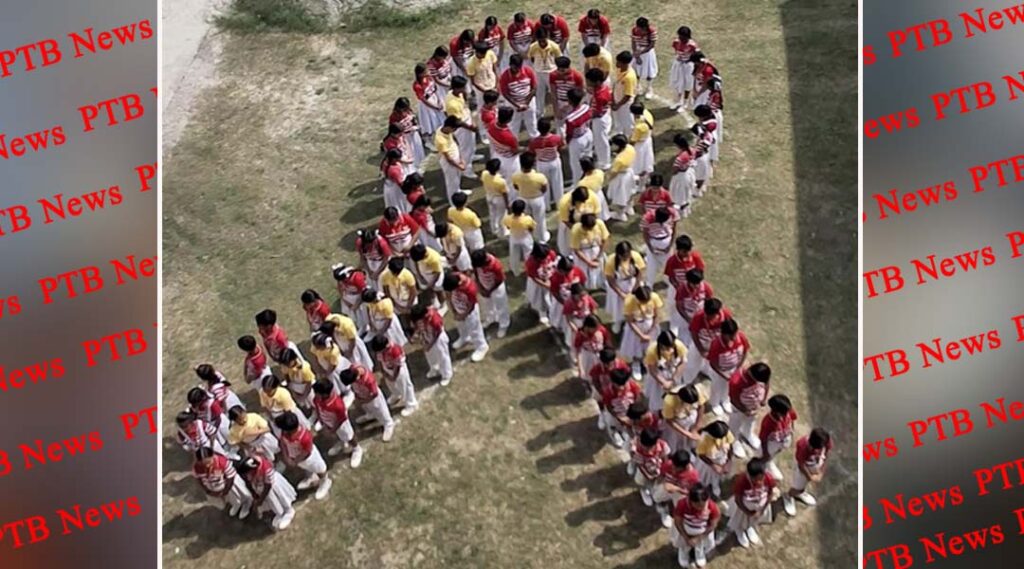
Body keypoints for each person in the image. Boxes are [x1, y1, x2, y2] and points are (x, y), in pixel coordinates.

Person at [274, 411, 332, 500]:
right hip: (297, 458)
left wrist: (295, 461)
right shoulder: (285, 432)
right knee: (307, 469)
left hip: (309, 459)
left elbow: (306, 452)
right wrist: (287, 457)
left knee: (320, 470)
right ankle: (312, 477)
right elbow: (282, 442)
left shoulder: (304, 437)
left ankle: (325, 482)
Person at [236, 454, 297, 531]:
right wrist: (255, 496)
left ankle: (288, 511)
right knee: (272, 503)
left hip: (272, 487)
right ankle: (279, 513)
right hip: (260, 486)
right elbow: (248, 483)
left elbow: (268, 486)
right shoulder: (248, 472)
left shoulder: (266, 468)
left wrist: (260, 500)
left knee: (279, 498)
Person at [312, 379, 364, 467]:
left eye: (316, 392)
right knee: (338, 435)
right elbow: (318, 409)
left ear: (324, 394)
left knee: (349, 436)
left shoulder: (337, 404)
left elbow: (341, 419)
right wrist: (322, 422)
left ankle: (357, 449)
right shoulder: (317, 399)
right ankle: (342, 442)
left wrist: (332, 429)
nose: (315, 394)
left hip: (340, 425)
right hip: (328, 423)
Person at [729, 458, 777, 549]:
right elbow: (738, 500)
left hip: (758, 507)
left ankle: (749, 527)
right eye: (756, 479)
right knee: (740, 519)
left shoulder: (768, 478)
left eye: (761, 478)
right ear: (749, 476)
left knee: (753, 520)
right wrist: (748, 512)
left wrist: (762, 510)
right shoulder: (741, 482)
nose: (759, 482)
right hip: (743, 508)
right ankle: (739, 530)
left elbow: (770, 493)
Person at [339, 365, 396, 442]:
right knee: (368, 408)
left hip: (372, 398)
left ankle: (388, 424)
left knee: (379, 410)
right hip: (361, 396)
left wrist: (362, 401)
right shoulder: (353, 369)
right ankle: (371, 415)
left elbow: (374, 394)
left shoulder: (368, 379)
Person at [442, 270, 490, 361]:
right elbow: (448, 295)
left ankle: (481, 346)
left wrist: (463, 315)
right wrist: (454, 311)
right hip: (458, 306)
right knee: (460, 325)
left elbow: (471, 305)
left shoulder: (469, 288)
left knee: (474, 329)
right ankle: (464, 337)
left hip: (469, 311)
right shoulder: (451, 278)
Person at [784, 427, 833, 516]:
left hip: (814, 463)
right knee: (798, 485)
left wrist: (821, 472)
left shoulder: (825, 440)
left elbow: (827, 454)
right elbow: (801, 465)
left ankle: (800, 493)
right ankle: (789, 496)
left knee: (803, 485)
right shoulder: (802, 446)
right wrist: (810, 477)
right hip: (803, 467)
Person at [707, 318, 751, 416]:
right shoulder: (716, 344)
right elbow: (713, 363)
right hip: (720, 371)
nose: (734, 338)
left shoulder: (741, 337)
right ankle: (714, 403)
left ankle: (725, 401)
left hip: (734, 368)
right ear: (724, 334)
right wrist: (724, 375)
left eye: (735, 334)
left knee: (728, 387)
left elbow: (745, 351)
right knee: (717, 387)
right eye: (730, 336)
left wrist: (738, 367)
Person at [684, 297, 733, 385]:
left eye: (711, 316)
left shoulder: (726, 315)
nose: (708, 317)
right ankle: (687, 381)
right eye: (707, 314)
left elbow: (729, 330)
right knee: (692, 363)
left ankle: (705, 371)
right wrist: (701, 349)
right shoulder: (699, 317)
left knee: (710, 362)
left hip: (715, 344)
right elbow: (694, 334)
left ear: (717, 313)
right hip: (701, 341)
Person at [728, 363, 771, 459]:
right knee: (735, 424)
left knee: (751, 422)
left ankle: (747, 433)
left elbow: (767, 383)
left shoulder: (761, 375)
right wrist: (745, 410)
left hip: (752, 407)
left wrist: (764, 399)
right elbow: (734, 399)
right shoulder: (737, 381)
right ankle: (733, 441)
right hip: (739, 408)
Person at [368, 335, 419, 417]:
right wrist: (384, 372)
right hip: (387, 368)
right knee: (390, 384)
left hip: (398, 370)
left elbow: (398, 365)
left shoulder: (395, 349)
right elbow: (380, 361)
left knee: (405, 385)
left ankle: (411, 403)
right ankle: (396, 394)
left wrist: (394, 376)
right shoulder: (381, 350)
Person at [672, 484, 720, 568]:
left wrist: (699, 538)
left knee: (700, 544)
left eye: (703, 504)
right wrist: (686, 538)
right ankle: (683, 550)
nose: (700, 508)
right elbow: (678, 522)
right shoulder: (682, 504)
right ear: (690, 501)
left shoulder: (712, 506)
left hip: (703, 532)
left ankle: (699, 552)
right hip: (686, 529)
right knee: (685, 544)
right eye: (697, 505)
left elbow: (713, 525)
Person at [621, 285, 663, 379]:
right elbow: (630, 321)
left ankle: (651, 363)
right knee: (636, 348)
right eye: (643, 301)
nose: (645, 303)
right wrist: (641, 335)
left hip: (650, 325)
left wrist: (650, 331)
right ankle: (636, 364)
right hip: (636, 327)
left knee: (652, 347)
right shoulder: (629, 301)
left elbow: (657, 315)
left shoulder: (654, 297)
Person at [604, 241, 645, 333]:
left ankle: (633, 319)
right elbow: (610, 280)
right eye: (623, 256)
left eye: (627, 255)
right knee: (618, 306)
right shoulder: (611, 261)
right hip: (619, 285)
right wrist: (621, 293)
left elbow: (640, 273)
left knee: (635, 304)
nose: (626, 258)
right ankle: (618, 321)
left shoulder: (636, 256)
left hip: (633, 283)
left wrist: (635, 287)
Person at [409, 303, 454, 386]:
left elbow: (437, 332)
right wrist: (417, 337)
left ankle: (447, 374)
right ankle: (435, 368)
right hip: (426, 334)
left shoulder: (434, 318)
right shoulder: (419, 317)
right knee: (429, 354)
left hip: (438, 338)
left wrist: (429, 345)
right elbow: (417, 326)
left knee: (442, 356)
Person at [470, 248, 511, 338]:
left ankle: (504, 323)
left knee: (501, 306)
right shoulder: (478, 262)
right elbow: (476, 272)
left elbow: (500, 279)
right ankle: (491, 318)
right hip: (484, 286)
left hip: (496, 288)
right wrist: (480, 287)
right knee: (486, 304)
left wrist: (490, 290)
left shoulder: (495, 264)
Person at [653, 449, 699, 528]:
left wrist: (677, 489)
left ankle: (675, 513)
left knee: (681, 508)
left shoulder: (693, 475)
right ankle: (663, 506)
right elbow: (661, 476)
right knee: (656, 497)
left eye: (677, 468)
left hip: (680, 492)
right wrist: (659, 485)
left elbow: (691, 492)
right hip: (666, 486)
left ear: (686, 466)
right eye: (673, 465)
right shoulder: (668, 465)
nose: (673, 469)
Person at [643, 330, 687, 413]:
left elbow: (683, 363)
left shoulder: (679, 346)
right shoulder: (652, 351)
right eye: (667, 348)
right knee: (657, 395)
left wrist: (674, 379)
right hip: (659, 374)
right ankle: (657, 410)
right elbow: (652, 369)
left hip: (674, 373)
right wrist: (664, 382)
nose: (670, 350)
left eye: (671, 347)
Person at [445, 76, 479, 180]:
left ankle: (472, 156)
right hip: (462, 127)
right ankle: (467, 170)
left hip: (466, 119)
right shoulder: (452, 104)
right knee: (465, 149)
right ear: (456, 88)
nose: (464, 90)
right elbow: (457, 121)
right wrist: (470, 127)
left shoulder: (457, 94)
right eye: (462, 88)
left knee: (471, 144)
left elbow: (465, 104)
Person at [511, 151, 549, 241]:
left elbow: (516, 187)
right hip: (537, 199)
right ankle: (542, 237)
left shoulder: (515, 176)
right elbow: (544, 188)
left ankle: (529, 237)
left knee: (526, 219)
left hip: (523, 198)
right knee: (539, 219)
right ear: (533, 164)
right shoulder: (540, 177)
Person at [601, 367, 642, 448]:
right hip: (617, 413)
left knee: (633, 431)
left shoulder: (632, 386)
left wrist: (632, 415)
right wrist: (619, 417)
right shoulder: (608, 392)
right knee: (613, 423)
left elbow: (637, 399)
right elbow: (609, 407)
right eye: (618, 385)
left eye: (624, 384)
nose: (622, 388)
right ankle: (615, 431)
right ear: (612, 382)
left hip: (630, 412)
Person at [528, 118, 565, 208]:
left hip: (542, 163)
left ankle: (546, 205)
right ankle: (559, 203)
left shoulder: (534, 142)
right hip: (554, 161)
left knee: (543, 184)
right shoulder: (555, 138)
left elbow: (531, 152)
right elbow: (562, 146)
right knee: (558, 183)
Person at [760, 394, 797, 482]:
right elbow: (763, 439)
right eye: (784, 413)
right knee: (765, 457)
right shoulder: (768, 422)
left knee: (776, 452)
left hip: (783, 439)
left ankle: (770, 462)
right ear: (776, 411)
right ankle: (762, 469)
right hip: (772, 443)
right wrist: (765, 453)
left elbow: (793, 418)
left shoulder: (788, 411)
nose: (787, 414)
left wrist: (791, 431)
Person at [500, 54, 539, 137]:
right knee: (513, 124)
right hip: (513, 104)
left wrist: (526, 103)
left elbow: (534, 88)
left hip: (528, 102)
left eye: (519, 67)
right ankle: (513, 142)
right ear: (510, 65)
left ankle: (535, 140)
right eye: (515, 67)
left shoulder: (528, 71)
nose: (517, 69)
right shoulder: (505, 76)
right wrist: (517, 105)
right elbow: (505, 93)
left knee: (532, 122)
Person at [695, 420, 735, 499]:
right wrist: (714, 466)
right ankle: (703, 486)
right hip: (707, 462)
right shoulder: (704, 438)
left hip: (721, 459)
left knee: (717, 476)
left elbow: (730, 446)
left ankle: (715, 485)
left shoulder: (725, 432)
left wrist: (729, 461)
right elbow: (701, 455)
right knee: (703, 478)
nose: (723, 438)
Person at [632, 428, 671, 508]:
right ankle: (643, 490)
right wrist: (647, 475)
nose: (647, 450)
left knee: (659, 483)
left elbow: (665, 459)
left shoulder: (662, 445)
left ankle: (657, 497)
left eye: (649, 447)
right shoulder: (637, 451)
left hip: (658, 467)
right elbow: (640, 465)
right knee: (641, 480)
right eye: (644, 446)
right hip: (645, 469)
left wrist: (663, 471)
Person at [487, 107, 520, 200]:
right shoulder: (509, 137)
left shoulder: (491, 125)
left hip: (497, 155)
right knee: (511, 183)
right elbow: (515, 150)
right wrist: (525, 149)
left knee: (501, 179)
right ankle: (512, 202)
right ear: (509, 119)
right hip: (509, 161)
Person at [671, 269, 712, 343]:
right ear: (689, 281)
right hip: (687, 314)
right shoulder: (682, 289)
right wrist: (688, 319)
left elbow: (709, 302)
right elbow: (679, 306)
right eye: (694, 284)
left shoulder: (705, 287)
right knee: (683, 338)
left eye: (698, 283)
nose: (696, 286)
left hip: (700, 315)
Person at [556, 186, 600, 256]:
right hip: (570, 225)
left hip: (588, 223)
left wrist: (588, 228)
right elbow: (565, 220)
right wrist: (577, 231)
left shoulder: (593, 197)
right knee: (569, 244)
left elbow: (596, 214)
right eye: (580, 201)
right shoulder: (564, 202)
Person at [662, 384, 706, 453]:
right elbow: (669, 420)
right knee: (678, 442)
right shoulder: (670, 401)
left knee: (694, 440)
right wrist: (687, 434)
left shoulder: (696, 391)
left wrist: (697, 426)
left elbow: (701, 406)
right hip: (678, 422)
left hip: (691, 415)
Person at [309, 332, 351, 403]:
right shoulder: (316, 345)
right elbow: (315, 356)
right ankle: (338, 391)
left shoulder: (333, 352)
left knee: (339, 380)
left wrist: (326, 374)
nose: (317, 348)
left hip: (335, 368)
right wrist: (319, 369)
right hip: (324, 365)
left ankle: (347, 391)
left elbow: (333, 366)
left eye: (319, 347)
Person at [547, 255, 586, 331]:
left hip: (576, 299)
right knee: (560, 317)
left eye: (569, 271)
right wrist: (563, 303)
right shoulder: (555, 278)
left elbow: (583, 282)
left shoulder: (577, 271)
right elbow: (555, 292)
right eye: (565, 272)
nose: (567, 273)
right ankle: (559, 327)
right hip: (562, 301)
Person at [570, 213, 609, 289]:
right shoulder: (576, 230)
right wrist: (589, 262)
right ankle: (584, 287)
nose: (590, 230)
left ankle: (601, 284)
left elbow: (605, 240)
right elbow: (576, 249)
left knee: (600, 268)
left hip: (597, 250)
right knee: (584, 271)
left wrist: (599, 256)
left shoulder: (600, 224)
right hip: (583, 252)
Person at [564, 88, 593, 187]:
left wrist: (567, 142)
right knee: (588, 158)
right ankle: (589, 178)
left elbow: (569, 133)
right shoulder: (586, 107)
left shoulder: (570, 118)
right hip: (588, 134)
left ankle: (578, 184)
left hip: (577, 140)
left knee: (576, 165)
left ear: (570, 101)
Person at [527, 27, 560, 113]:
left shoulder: (554, 46)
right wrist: (538, 67)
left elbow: (558, 59)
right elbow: (531, 58)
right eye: (540, 41)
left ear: (547, 37)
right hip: (539, 72)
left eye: (544, 40)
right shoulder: (533, 47)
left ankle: (558, 111)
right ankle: (539, 112)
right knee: (539, 93)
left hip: (551, 72)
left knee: (554, 93)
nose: (542, 43)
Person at [584, 68, 613, 169]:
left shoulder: (600, 96)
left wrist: (587, 116)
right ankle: (600, 156)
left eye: (589, 81)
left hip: (599, 119)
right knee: (599, 139)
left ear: (597, 81)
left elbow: (597, 112)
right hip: (601, 117)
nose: (587, 82)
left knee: (601, 140)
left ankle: (605, 162)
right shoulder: (601, 89)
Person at [643, 207, 678, 287]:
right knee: (651, 265)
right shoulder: (647, 217)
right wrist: (650, 247)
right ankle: (649, 284)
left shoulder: (672, 213)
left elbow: (674, 230)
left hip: (666, 240)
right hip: (653, 241)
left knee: (668, 264)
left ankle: (668, 280)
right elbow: (645, 234)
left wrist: (669, 246)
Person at [436, 116, 469, 203]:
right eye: (454, 129)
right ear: (448, 127)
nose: (454, 131)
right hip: (449, 162)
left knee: (457, 178)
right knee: (451, 182)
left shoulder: (444, 130)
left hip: (456, 157)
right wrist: (459, 166)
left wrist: (461, 158)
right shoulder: (441, 140)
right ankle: (453, 201)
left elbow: (454, 138)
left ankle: (458, 191)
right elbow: (448, 159)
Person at [664, 235, 706, 302]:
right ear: (678, 249)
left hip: (693, 287)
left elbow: (701, 271)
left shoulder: (695, 257)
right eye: (684, 251)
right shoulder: (672, 261)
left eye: (689, 251)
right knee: (672, 305)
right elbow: (671, 277)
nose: (687, 253)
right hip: (677, 288)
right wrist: (678, 288)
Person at [524, 242, 557, 325]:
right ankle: (542, 313)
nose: (545, 259)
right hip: (538, 284)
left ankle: (551, 309)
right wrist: (545, 284)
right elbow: (534, 277)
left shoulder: (551, 254)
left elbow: (554, 265)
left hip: (549, 278)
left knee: (551, 296)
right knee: (540, 299)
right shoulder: (531, 262)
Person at [408, 242, 447, 310]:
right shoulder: (417, 252)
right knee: (430, 289)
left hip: (434, 275)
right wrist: (419, 275)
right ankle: (434, 300)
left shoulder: (434, 258)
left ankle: (443, 303)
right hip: (425, 273)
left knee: (438, 290)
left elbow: (437, 272)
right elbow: (416, 262)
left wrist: (431, 283)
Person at [279, 348, 316, 420]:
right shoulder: (285, 365)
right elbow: (286, 376)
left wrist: (304, 396)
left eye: (288, 363)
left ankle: (316, 413)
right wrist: (291, 389)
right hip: (295, 384)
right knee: (303, 403)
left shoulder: (304, 368)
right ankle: (309, 410)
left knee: (312, 400)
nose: (287, 366)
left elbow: (309, 383)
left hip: (306, 386)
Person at [607, 134, 637, 220]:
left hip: (621, 177)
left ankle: (621, 214)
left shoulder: (619, 160)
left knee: (620, 196)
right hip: (629, 173)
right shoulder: (630, 148)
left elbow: (614, 173)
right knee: (630, 192)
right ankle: (629, 208)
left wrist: (608, 179)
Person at [413, 63, 446, 143]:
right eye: (425, 71)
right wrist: (435, 106)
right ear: (420, 74)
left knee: (440, 120)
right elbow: (423, 99)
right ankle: (428, 140)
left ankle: (439, 138)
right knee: (429, 122)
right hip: (427, 105)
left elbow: (435, 89)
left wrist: (439, 100)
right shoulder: (417, 85)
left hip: (434, 99)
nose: (428, 72)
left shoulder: (429, 78)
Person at [573, 314, 612, 380]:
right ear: (587, 327)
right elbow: (578, 351)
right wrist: (580, 367)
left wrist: (610, 354)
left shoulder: (601, 330)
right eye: (595, 328)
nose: (597, 329)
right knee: (589, 373)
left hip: (601, 355)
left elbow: (608, 343)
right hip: (588, 357)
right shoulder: (580, 336)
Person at [390, 97, 424, 172]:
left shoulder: (409, 111)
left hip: (413, 134)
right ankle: (413, 167)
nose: (404, 110)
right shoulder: (394, 116)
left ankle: (417, 165)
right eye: (403, 108)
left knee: (417, 150)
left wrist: (415, 127)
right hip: (405, 137)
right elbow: (394, 129)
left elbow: (414, 120)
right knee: (410, 152)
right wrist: (406, 130)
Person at [549, 56, 584, 129]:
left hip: (572, 103)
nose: (560, 72)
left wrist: (570, 106)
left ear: (568, 67)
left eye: (562, 70)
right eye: (558, 70)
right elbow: (553, 93)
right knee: (559, 126)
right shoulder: (553, 75)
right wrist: (556, 110)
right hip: (560, 102)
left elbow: (579, 94)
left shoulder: (577, 76)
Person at [503, 199, 536, 275]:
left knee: (514, 255)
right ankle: (529, 270)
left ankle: (515, 271)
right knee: (528, 254)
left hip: (514, 237)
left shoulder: (508, 218)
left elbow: (508, 227)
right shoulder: (527, 219)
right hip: (525, 237)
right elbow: (531, 228)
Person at [562, 282, 599, 349]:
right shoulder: (569, 303)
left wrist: (593, 319)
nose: (582, 298)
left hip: (588, 320)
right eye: (580, 296)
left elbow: (594, 308)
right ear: (573, 295)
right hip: (576, 322)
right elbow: (569, 319)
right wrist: (576, 330)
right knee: (574, 340)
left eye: (583, 295)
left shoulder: (587, 298)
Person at [669, 27, 699, 110]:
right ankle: (678, 101)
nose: (681, 38)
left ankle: (685, 102)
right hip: (678, 64)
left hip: (688, 65)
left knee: (687, 84)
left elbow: (697, 56)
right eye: (680, 36)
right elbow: (676, 51)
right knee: (678, 82)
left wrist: (693, 68)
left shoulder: (692, 45)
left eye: (683, 37)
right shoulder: (676, 42)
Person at [467, 42, 499, 116]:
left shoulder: (490, 54)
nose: (484, 56)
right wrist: (484, 91)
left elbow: (495, 69)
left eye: (485, 54)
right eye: (482, 54)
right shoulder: (471, 63)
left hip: (492, 84)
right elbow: (473, 81)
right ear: (477, 52)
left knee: (494, 105)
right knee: (482, 107)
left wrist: (497, 83)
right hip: (481, 88)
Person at [611, 52, 639, 136]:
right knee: (617, 119)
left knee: (627, 121)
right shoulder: (620, 70)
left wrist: (618, 105)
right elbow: (615, 84)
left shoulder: (629, 77)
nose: (616, 64)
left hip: (625, 103)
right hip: (617, 98)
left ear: (624, 63)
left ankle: (629, 136)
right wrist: (613, 99)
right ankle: (618, 133)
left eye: (618, 62)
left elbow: (628, 95)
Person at [482, 158, 510, 237]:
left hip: (489, 195)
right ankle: (502, 232)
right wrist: (507, 204)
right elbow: (505, 193)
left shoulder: (484, 174)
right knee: (502, 216)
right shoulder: (501, 181)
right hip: (498, 198)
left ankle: (494, 228)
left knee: (492, 213)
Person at [630, 17, 658, 97]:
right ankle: (637, 87)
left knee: (649, 72)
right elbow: (633, 42)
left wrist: (641, 52)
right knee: (635, 70)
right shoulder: (634, 30)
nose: (638, 29)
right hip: (638, 50)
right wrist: (636, 53)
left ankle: (649, 88)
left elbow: (652, 45)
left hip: (647, 52)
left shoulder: (651, 32)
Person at [578, 156, 611, 220]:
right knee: (602, 211)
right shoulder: (599, 172)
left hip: (591, 198)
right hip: (599, 193)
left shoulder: (582, 183)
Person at [669, 134, 696, 211]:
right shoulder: (692, 150)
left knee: (677, 194)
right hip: (688, 173)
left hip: (680, 177)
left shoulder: (680, 158)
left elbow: (675, 170)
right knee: (686, 193)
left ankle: (679, 209)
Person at [629, 102, 655, 182]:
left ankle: (640, 180)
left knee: (638, 163)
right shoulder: (647, 114)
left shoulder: (639, 127)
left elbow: (633, 141)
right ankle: (647, 176)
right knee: (647, 160)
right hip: (647, 140)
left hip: (640, 144)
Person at [694, 104, 720, 170]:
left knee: (710, 152)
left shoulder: (711, 124)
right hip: (706, 136)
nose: (699, 118)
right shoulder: (707, 117)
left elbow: (707, 134)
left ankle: (710, 165)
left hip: (709, 139)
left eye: (700, 116)